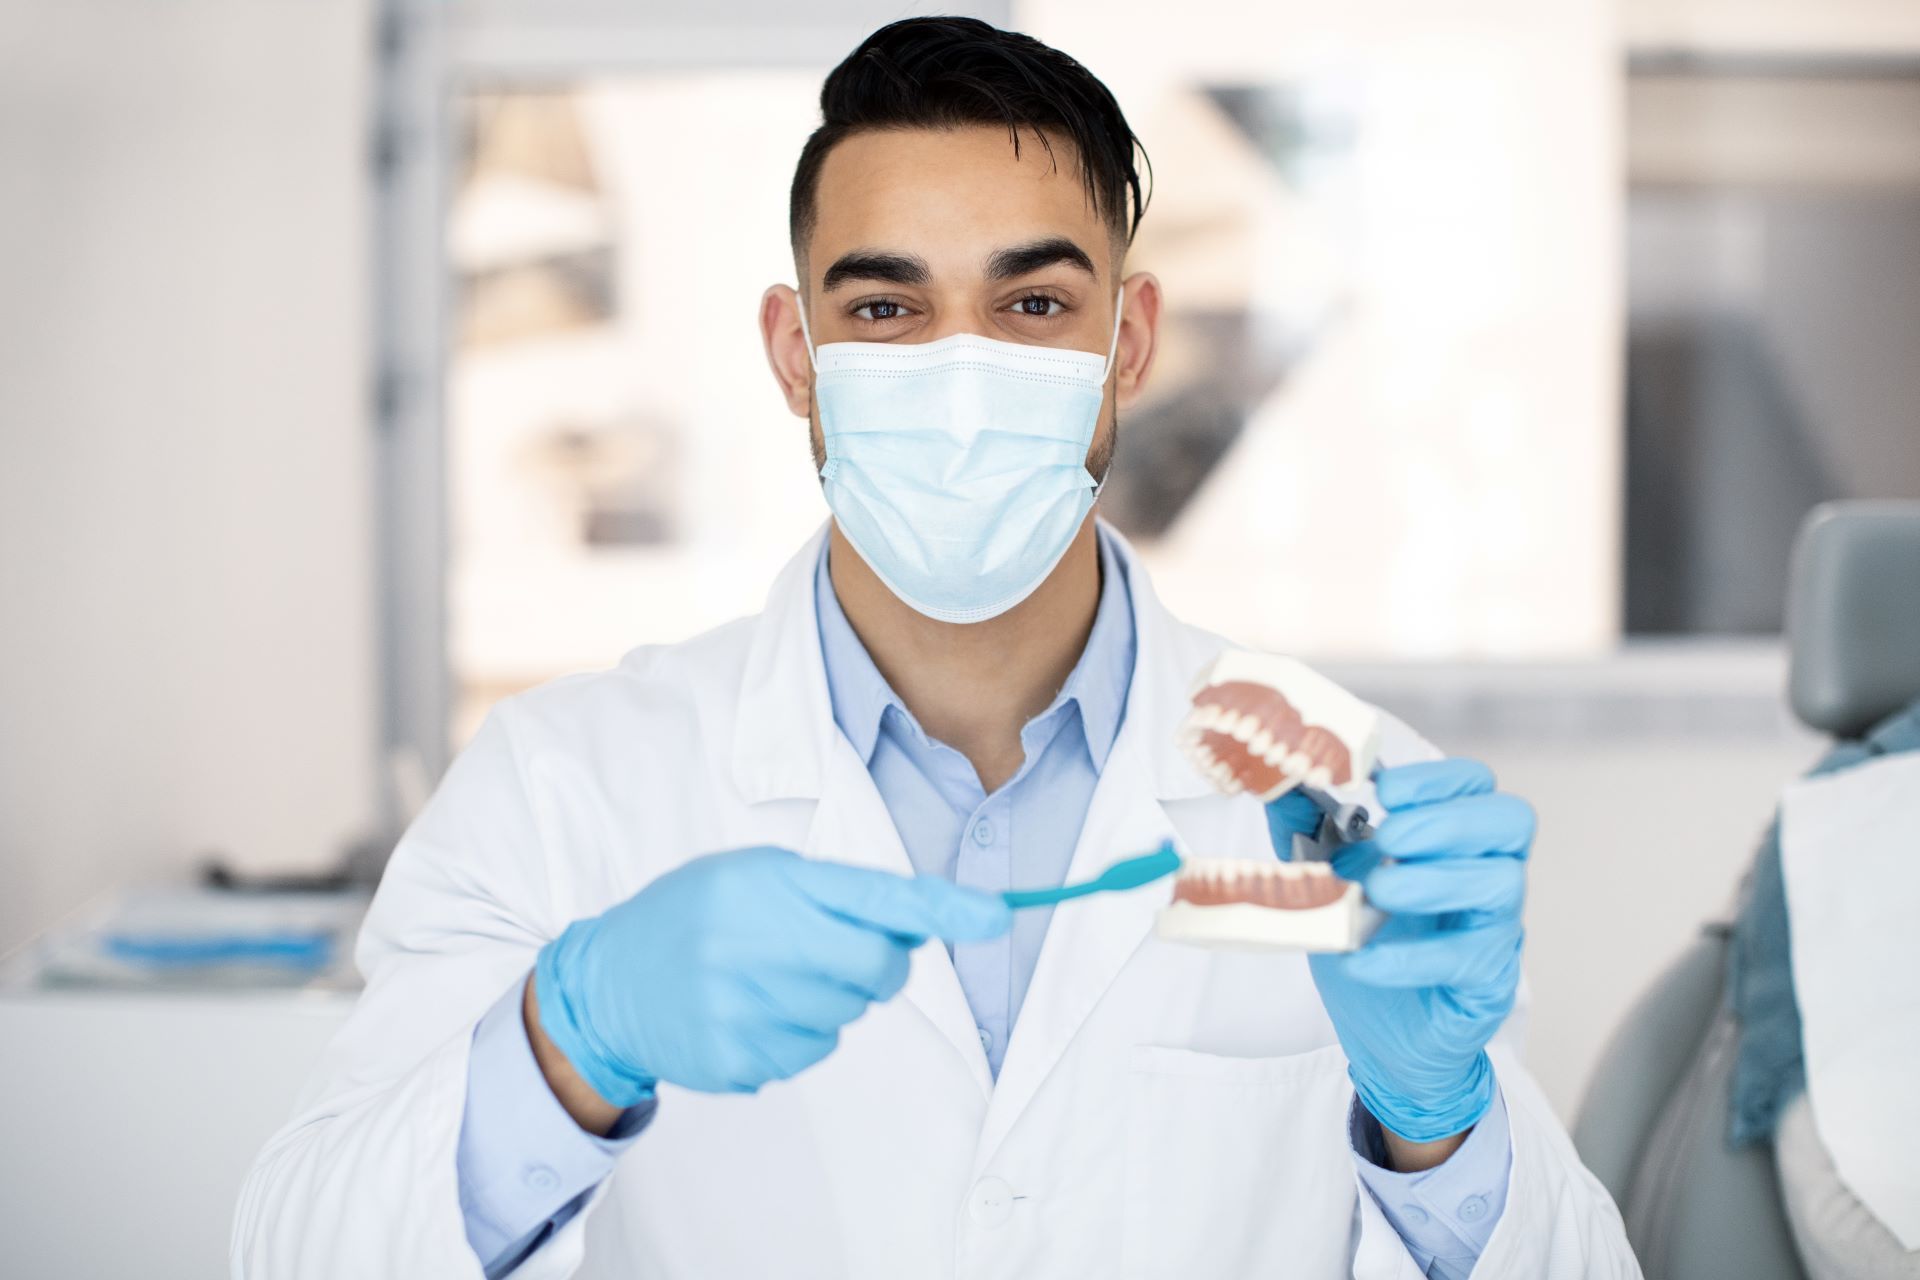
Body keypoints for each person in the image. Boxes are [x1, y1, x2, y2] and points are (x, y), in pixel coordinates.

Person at [234, 18, 1637, 1278]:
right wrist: (566, 1045)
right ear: (795, 352)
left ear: (1128, 339)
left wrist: (1438, 1134)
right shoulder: (568, 788)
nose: (961, 376)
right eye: (886, 307)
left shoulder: (1340, 793)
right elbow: (297, 1254)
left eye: (1032, 305)